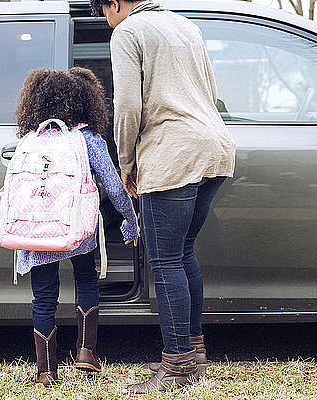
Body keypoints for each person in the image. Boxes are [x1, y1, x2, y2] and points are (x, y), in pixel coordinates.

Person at [90, 0, 236, 393]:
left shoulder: (127, 31)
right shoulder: (184, 25)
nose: (107, 20)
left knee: (166, 259)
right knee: (184, 252)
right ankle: (193, 352)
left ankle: (177, 367)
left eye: (103, 11)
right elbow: (211, 89)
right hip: (215, 146)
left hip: (173, 150)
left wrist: (124, 161)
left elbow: (127, 104)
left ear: (115, 4)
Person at [14, 67, 140, 387]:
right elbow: (113, 186)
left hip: (38, 230)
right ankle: (86, 353)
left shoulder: (32, 138)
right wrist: (130, 219)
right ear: (87, 101)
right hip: (77, 228)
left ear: (35, 102)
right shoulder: (88, 137)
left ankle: (46, 373)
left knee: (44, 297)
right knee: (85, 278)